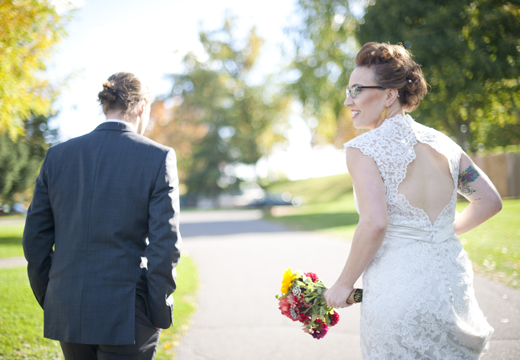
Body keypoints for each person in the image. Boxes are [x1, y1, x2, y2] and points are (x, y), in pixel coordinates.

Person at [324, 43, 502, 359]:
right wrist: (440, 233)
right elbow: (489, 201)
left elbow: (375, 223)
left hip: (398, 293)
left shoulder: (362, 149)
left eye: (356, 89)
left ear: (390, 95)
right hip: (452, 289)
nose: (347, 100)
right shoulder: (445, 145)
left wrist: (343, 284)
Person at [23, 72, 181, 360]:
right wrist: (158, 310)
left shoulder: (57, 156)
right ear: (143, 106)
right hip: (129, 311)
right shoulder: (158, 157)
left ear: (106, 104)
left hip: (68, 306)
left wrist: (52, 297)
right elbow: (165, 244)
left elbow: (35, 240)